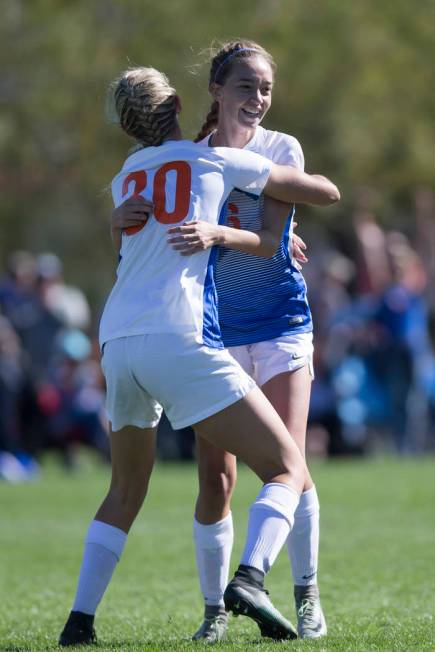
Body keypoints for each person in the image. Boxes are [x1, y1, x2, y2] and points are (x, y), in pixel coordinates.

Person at [58, 66, 339, 646]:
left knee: (125, 488)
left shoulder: (125, 177)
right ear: (187, 102)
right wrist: (279, 213)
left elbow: (134, 239)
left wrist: (122, 223)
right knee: (288, 467)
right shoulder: (209, 158)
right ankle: (250, 581)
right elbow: (321, 191)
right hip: (180, 338)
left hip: (116, 342)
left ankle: (78, 623)